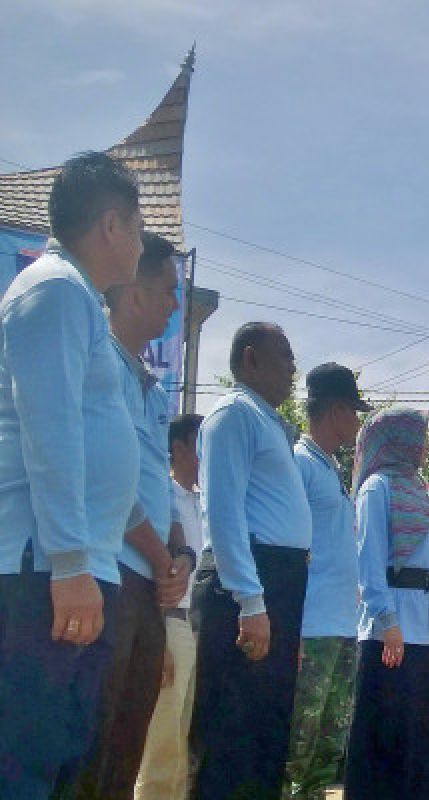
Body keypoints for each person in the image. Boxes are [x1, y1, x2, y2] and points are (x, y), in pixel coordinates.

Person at [0, 151, 143, 799]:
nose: (142, 243)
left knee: (59, 758)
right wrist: (68, 563)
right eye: (138, 227)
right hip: (44, 570)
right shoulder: (55, 289)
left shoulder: (76, 298)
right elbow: (48, 432)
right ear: (111, 226)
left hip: (78, 566)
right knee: (25, 761)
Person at [74, 233, 191, 800]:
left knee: (128, 740)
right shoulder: (103, 367)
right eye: (169, 290)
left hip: (149, 586)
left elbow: (160, 489)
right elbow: (108, 483)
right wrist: (159, 555)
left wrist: (180, 556)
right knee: (92, 746)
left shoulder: (152, 386)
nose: (175, 304)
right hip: (112, 578)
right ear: (137, 291)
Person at [191, 322, 312, 799]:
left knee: (266, 734)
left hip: (275, 583)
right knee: (231, 736)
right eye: (283, 355)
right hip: (246, 583)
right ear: (250, 358)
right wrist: (250, 600)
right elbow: (221, 512)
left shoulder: (269, 424)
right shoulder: (233, 415)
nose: (292, 368)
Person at [342, 408, 429, 799]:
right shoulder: (377, 488)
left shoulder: (422, 491)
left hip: (422, 637)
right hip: (387, 636)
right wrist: (387, 622)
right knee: (383, 745)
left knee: (422, 746)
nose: (424, 446)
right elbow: (369, 562)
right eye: (418, 436)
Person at [284, 364, 369, 799]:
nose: (357, 422)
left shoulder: (329, 466)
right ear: (336, 410)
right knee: (296, 747)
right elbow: (292, 553)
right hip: (310, 630)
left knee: (326, 751)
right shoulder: (299, 462)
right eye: (354, 411)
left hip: (340, 627)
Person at [135, 413, 205, 799]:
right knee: (160, 746)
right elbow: (155, 574)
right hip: (169, 622)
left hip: (197, 625)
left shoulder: (202, 502)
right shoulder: (164, 498)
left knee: (181, 743)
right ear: (177, 449)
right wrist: (160, 637)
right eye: (199, 447)